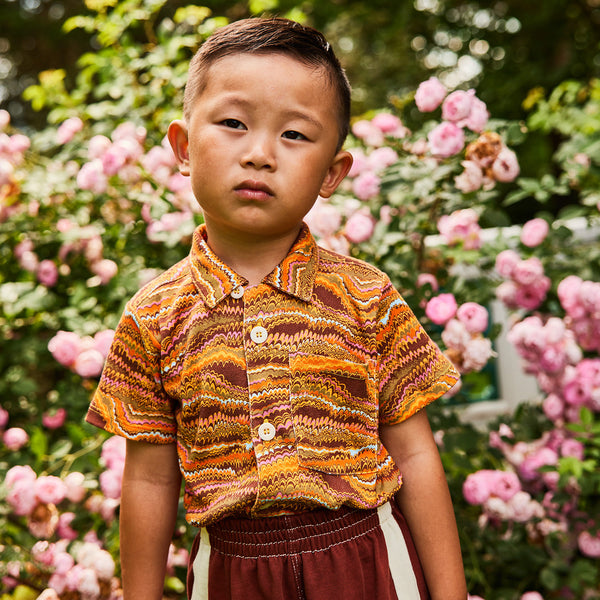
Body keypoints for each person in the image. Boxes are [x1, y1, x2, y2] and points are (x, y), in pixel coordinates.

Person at [86, 17, 467, 600]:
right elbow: (147, 478)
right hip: (231, 576)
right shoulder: (153, 317)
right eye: (234, 123)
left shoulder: (368, 298)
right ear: (184, 148)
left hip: (367, 565)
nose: (260, 153)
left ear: (332, 173)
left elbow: (414, 453)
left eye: (294, 135)